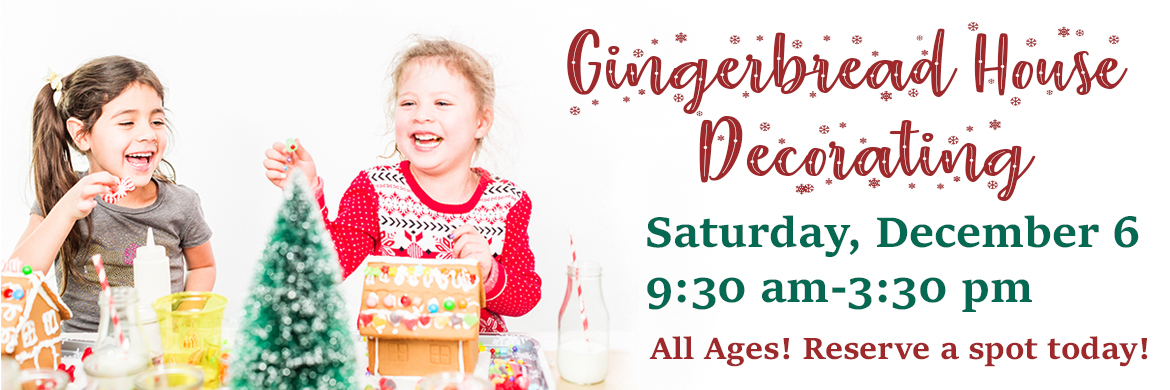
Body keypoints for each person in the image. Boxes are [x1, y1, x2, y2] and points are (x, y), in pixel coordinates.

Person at [262, 38, 539, 332]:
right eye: (408, 103)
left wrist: (489, 272)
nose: (421, 115)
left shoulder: (507, 203)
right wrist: (306, 195)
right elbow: (325, 269)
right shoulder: (376, 190)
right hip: (394, 356)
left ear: (481, 122)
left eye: (442, 103)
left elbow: (526, 297)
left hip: (475, 358)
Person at [10, 56, 216, 332]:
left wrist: (182, 322)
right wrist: (65, 213)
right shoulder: (63, 198)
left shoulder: (181, 204)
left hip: (158, 345)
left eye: (156, 121)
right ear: (81, 134)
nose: (148, 134)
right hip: (84, 349)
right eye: (127, 122)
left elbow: (202, 267)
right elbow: (18, 280)